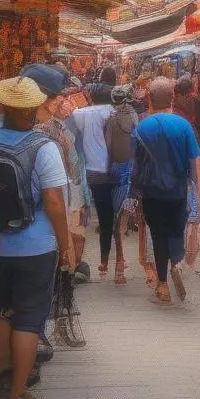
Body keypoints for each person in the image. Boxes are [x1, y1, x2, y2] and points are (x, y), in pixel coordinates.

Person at [0, 76, 73, 399]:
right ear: (32, 107)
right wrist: (66, 243)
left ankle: (5, 374)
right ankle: (17, 393)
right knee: (29, 318)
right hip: (35, 246)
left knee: (4, 309)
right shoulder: (43, 147)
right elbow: (54, 201)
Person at [133, 78, 200, 304]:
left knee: (158, 235)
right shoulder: (183, 126)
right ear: (172, 99)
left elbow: (134, 164)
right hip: (177, 191)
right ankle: (177, 263)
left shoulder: (142, 127)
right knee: (175, 230)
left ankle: (162, 286)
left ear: (150, 100)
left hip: (151, 193)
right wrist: (198, 196)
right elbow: (195, 163)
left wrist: (130, 195)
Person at [22, 63, 92, 278]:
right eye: (59, 97)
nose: (63, 101)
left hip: (3, 240)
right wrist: (65, 246)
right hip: (42, 236)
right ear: (46, 101)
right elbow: (61, 192)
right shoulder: (53, 135)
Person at [72, 82, 121, 279]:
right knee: (113, 217)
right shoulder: (112, 112)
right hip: (113, 171)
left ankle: (100, 260)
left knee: (97, 216)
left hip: (91, 173)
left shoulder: (81, 113)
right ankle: (111, 260)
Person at [106, 85, 139, 284]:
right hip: (135, 173)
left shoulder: (111, 119)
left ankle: (120, 264)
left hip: (118, 171)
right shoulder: (136, 118)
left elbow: (109, 146)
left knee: (117, 220)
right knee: (136, 218)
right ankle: (149, 265)